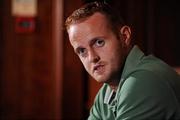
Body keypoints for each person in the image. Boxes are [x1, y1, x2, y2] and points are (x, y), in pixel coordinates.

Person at [65, 1, 180, 119]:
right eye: (82, 51)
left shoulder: (144, 79)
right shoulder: (106, 92)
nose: (92, 58)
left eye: (99, 42)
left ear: (124, 37)